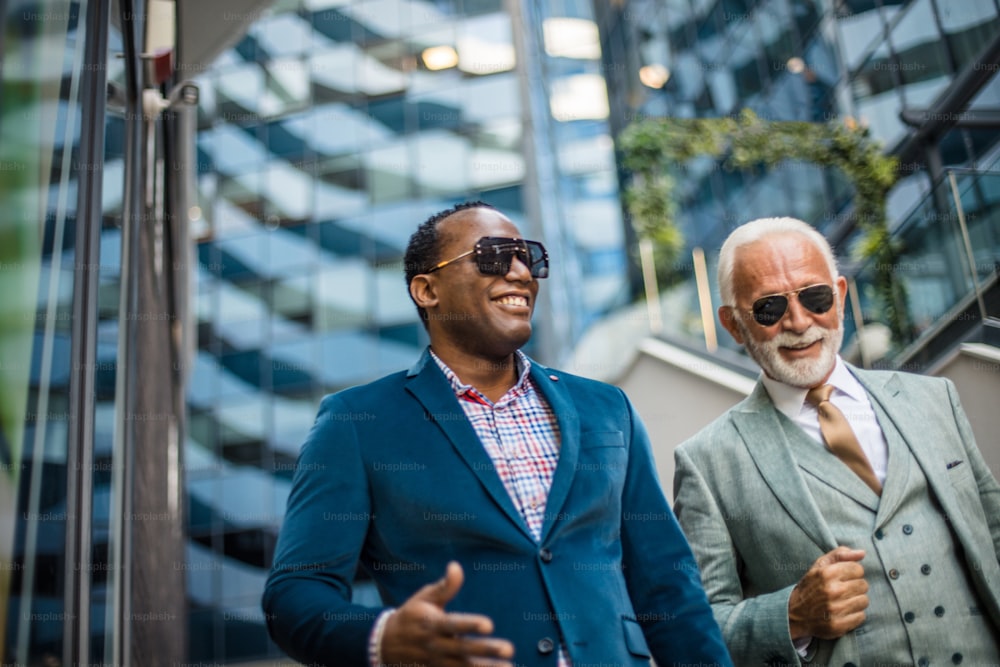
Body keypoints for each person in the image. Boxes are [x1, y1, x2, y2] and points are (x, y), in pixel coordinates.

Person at [262, 202, 732, 667]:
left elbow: (669, 586)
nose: (521, 272)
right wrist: (382, 639)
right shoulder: (356, 423)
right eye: (492, 256)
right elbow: (294, 593)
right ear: (427, 290)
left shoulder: (608, 408)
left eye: (529, 257)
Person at [673, 216, 1000, 666]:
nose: (799, 320)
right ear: (733, 325)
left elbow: (994, 532)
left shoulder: (934, 398)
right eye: (769, 308)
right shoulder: (707, 463)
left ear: (841, 296)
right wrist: (789, 616)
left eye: (815, 296)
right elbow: (695, 631)